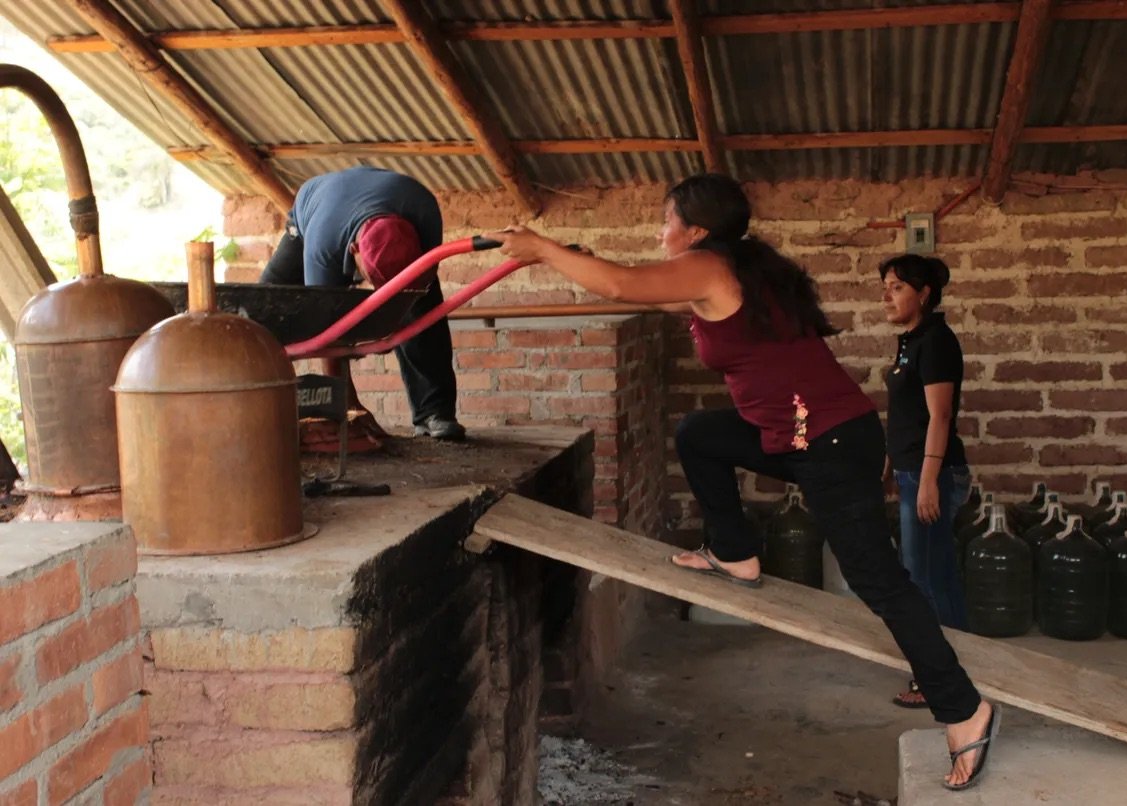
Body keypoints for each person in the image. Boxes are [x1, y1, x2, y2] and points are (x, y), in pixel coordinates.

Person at [490, 174, 999, 791]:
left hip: (830, 443)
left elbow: (625, 284)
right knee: (700, 433)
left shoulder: (710, 267)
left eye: (666, 221)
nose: (661, 232)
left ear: (696, 231)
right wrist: (581, 260)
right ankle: (735, 553)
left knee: (878, 581)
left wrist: (544, 249)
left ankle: (963, 708)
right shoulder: (737, 271)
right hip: (804, 436)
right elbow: (640, 289)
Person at [261, 166, 465, 441]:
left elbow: (423, 282)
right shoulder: (323, 246)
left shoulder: (424, 212)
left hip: (381, 199)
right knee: (265, 308)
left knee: (424, 313)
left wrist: (391, 326)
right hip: (315, 212)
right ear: (353, 251)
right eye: (375, 280)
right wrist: (348, 404)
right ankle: (257, 409)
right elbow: (326, 329)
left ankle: (436, 413)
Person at [881, 255, 972, 711]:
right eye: (885, 287)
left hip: (932, 474)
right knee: (938, 576)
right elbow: (906, 413)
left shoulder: (936, 342)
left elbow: (940, 416)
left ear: (924, 294)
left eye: (897, 287)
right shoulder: (910, 342)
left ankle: (938, 680)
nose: (887, 296)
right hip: (914, 470)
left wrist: (929, 481)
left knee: (923, 581)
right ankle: (961, 668)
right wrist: (890, 463)